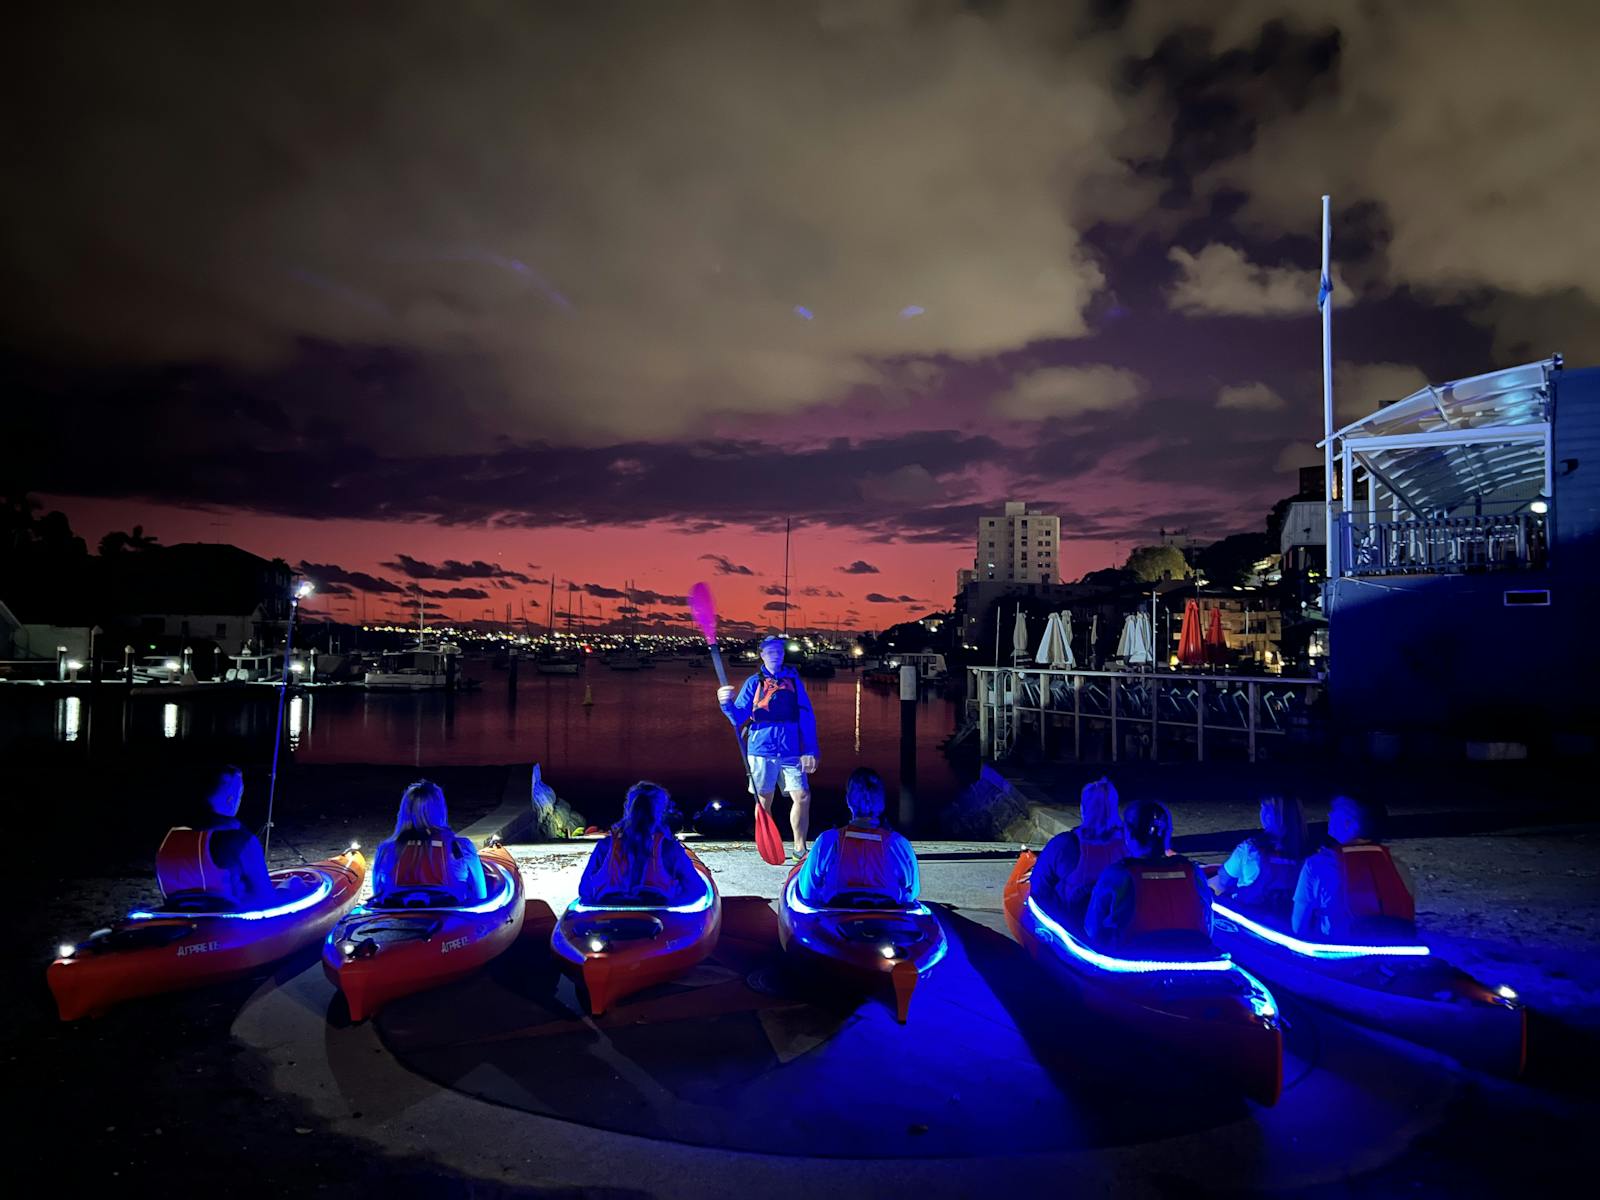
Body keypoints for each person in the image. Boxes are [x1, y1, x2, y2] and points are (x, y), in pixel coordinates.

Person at [717, 635, 819, 859]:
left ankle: (800, 847)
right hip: (762, 748)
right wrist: (725, 702)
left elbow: (806, 716)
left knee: (802, 795)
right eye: (770, 651)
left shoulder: (793, 681)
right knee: (764, 800)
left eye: (779, 651)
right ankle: (767, 844)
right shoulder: (754, 682)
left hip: (791, 747)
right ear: (762, 655)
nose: (776, 654)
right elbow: (738, 717)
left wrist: (810, 749)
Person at [1085, 798, 1213, 953]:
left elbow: (1092, 931)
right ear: (1167, 833)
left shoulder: (1118, 873)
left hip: (1137, 966)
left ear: (1129, 833)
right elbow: (1207, 922)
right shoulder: (1193, 871)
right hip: (1193, 958)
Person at [1292, 795, 1415, 940]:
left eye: (1335, 811)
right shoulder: (1398, 866)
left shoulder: (1317, 865)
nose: (1329, 814)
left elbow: (1299, 926)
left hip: (1340, 951)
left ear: (1351, 824)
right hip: (1396, 949)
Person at [155, 765, 277, 909]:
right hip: (229, 925)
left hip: (179, 920)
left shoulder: (169, 838)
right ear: (231, 798)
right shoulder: (240, 840)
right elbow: (266, 897)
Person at [795, 767, 919, 907]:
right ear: (881, 802)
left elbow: (807, 891)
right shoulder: (898, 844)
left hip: (837, 922)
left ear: (848, 800)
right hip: (886, 924)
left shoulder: (828, 840)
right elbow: (912, 892)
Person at [578, 781, 703, 905]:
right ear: (660, 812)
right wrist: (674, 899)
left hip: (609, 920)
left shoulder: (606, 846)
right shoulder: (669, 848)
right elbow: (697, 889)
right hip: (658, 919)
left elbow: (585, 890)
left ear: (627, 809)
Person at [1030, 777, 1124, 931]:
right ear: (1114, 808)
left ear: (1083, 808)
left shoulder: (1065, 845)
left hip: (1075, 926)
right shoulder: (1129, 844)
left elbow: (1039, 889)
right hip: (1115, 927)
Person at [371, 779, 487, 905]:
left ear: (404, 811)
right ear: (440, 810)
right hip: (448, 916)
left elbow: (377, 896)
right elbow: (481, 895)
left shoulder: (386, 850)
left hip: (396, 914)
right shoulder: (461, 847)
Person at [1211, 795, 1309, 913]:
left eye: (1263, 808)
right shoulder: (1311, 856)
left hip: (1252, 918)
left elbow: (1223, 880)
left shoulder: (1250, 849)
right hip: (1290, 920)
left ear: (1268, 815)